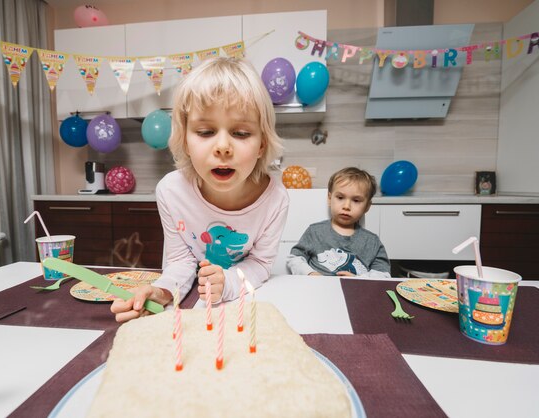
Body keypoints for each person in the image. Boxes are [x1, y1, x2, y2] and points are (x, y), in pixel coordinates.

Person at [111, 57, 289, 322]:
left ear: (262, 144)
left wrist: (227, 282)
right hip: (191, 314)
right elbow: (181, 262)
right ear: (185, 139)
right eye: (205, 132)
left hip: (243, 312)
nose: (223, 147)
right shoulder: (171, 192)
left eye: (241, 133)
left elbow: (261, 265)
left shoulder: (276, 199)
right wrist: (161, 292)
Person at [286, 167, 390, 277]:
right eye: (340, 198)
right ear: (330, 199)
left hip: (354, 290)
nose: (346, 206)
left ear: (367, 206)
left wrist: (359, 279)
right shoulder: (315, 231)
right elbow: (294, 258)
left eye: (356, 200)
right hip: (317, 288)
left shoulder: (372, 241)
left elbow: (383, 274)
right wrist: (311, 273)